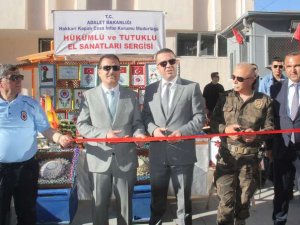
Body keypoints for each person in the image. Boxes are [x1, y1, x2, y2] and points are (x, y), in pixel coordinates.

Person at [76, 54, 145, 225]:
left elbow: (137, 123)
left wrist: (139, 135)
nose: (111, 71)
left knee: (125, 207)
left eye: (115, 67)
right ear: (99, 72)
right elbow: (82, 126)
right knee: (99, 206)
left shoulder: (131, 95)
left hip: (125, 158)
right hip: (99, 158)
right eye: (107, 67)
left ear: (120, 71)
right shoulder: (88, 96)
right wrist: (105, 134)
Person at [0, 64, 72, 225]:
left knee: (27, 213)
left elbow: (46, 129)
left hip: (26, 168)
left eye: (20, 77)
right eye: (13, 78)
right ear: (1, 82)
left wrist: (59, 138)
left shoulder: (31, 104)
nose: (18, 80)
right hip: (1, 169)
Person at [142, 48, 206, 225]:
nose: (168, 65)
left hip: (183, 152)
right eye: (163, 63)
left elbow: (200, 117)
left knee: (183, 202)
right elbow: (145, 116)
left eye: (172, 61)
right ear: (157, 67)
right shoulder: (150, 90)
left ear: (176, 63)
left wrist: (183, 132)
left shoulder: (191, 87)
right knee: (157, 199)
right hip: (158, 153)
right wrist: (153, 129)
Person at [210, 63, 274, 225]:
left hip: (249, 162)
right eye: (233, 77)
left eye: (239, 78)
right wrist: (226, 129)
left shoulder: (264, 101)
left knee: (243, 204)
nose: (234, 81)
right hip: (226, 158)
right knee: (226, 204)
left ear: (252, 79)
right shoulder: (224, 97)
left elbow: (270, 129)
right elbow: (213, 124)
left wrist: (256, 136)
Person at [270, 51, 300, 225]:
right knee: (281, 191)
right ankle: (279, 221)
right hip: (282, 148)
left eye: (296, 65)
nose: (292, 70)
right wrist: (268, 147)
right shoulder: (275, 89)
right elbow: (272, 118)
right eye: (288, 66)